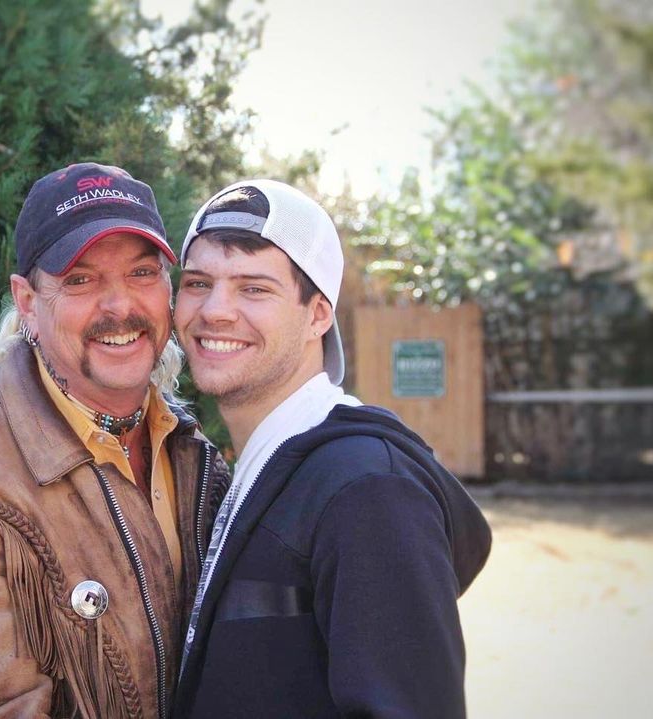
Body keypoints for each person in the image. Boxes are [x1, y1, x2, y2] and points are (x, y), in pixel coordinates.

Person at [0, 162, 229, 719]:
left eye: (141, 273)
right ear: (26, 301)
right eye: (81, 280)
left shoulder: (192, 453)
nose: (119, 307)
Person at [171, 180, 492, 718]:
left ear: (318, 314)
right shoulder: (252, 471)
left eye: (254, 288)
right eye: (198, 282)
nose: (215, 311)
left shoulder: (367, 490)